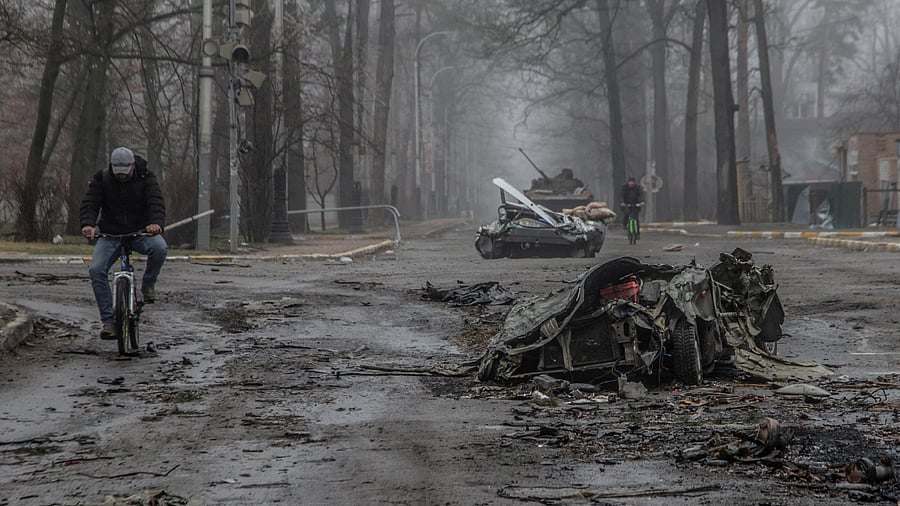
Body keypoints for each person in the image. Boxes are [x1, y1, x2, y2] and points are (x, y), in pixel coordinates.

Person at [80, 147, 167, 340]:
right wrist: (88, 225)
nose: (121, 177)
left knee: (160, 248)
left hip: (140, 232)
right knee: (96, 270)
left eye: (125, 173)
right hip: (110, 234)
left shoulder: (146, 177)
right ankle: (109, 322)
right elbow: (90, 203)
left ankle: (148, 284)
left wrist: (156, 224)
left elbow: (156, 202)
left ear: (133, 166)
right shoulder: (102, 179)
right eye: (118, 173)